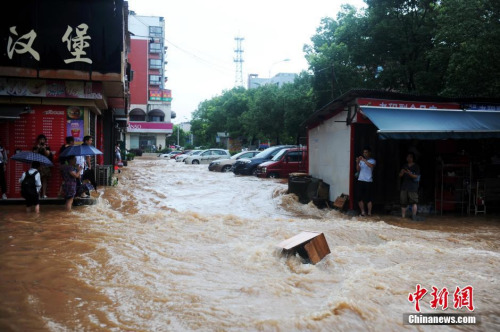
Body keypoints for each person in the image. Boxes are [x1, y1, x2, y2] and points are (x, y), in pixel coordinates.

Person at [399, 152, 421, 220]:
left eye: (410, 157)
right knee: (403, 202)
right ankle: (403, 216)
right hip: (404, 186)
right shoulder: (404, 165)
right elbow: (400, 175)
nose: (408, 158)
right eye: (407, 157)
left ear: (412, 158)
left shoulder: (416, 166)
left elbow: (416, 176)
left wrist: (409, 173)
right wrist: (402, 172)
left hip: (413, 186)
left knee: (414, 202)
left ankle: (414, 216)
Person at [356, 147, 376, 217]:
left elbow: (371, 166)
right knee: (359, 197)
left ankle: (369, 213)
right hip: (360, 180)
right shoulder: (361, 161)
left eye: (366, 152)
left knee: (368, 198)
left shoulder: (372, 160)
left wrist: (364, 160)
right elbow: (358, 170)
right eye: (364, 152)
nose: (364, 154)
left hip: (368, 181)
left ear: (369, 153)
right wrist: (358, 162)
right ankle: (363, 212)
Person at [34, 134, 53, 198]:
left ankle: (43, 194)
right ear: (38, 140)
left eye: (43, 140)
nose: (42, 141)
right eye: (40, 139)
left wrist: (44, 149)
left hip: (45, 165)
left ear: (45, 141)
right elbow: (34, 155)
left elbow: (48, 154)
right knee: (37, 180)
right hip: (37, 165)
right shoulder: (35, 147)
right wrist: (38, 148)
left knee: (44, 180)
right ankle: (38, 194)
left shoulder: (47, 147)